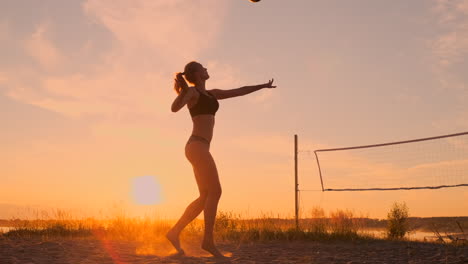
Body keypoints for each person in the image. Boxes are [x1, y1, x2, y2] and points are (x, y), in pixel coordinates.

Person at [167, 61, 276, 257]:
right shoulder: (193, 93)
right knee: (215, 191)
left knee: (204, 197)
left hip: (199, 147)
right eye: (203, 68)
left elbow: (239, 91)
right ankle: (208, 241)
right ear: (197, 74)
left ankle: (174, 232)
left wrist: (262, 86)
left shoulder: (212, 93)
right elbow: (174, 108)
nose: (207, 69)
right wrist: (184, 92)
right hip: (197, 145)